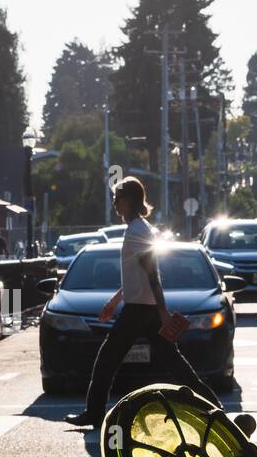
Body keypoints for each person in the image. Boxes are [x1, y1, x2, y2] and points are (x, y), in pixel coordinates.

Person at [64, 178, 222, 427]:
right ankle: (216, 409)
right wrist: (114, 302)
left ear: (129, 200)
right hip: (142, 307)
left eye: (118, 198)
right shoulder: (139, 228)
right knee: (175, 363)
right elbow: (136, 275)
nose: (115, 203)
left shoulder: (138, 230)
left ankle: (94, 413)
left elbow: (152, 274)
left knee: (107, 359)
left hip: (140, 310)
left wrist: (163, 313)